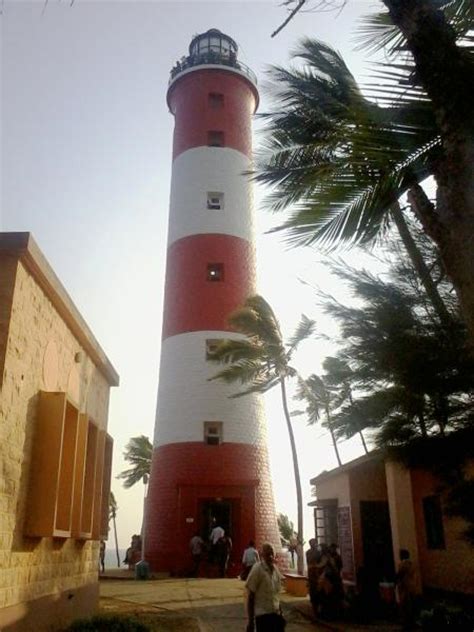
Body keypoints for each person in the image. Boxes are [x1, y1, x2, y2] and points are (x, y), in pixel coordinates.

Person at [245, 542, 285, 632]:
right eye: (267, 554)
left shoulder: (276, 571)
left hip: (276, 614)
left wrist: (281, 613)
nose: (270, 556)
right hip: (263, 616)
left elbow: (276, 595)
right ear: (262, 554)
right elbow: (250, 596)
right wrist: (250, 621)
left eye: (272, 553)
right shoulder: (257, 569)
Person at [395, 549, 417, 631]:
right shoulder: (412, 563)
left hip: (405, 587)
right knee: (411, 605)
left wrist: (395, 581)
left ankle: (407, 624)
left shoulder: (403, 564)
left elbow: (399, 574)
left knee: (405, 606)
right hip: (412, 586)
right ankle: (411, 623)